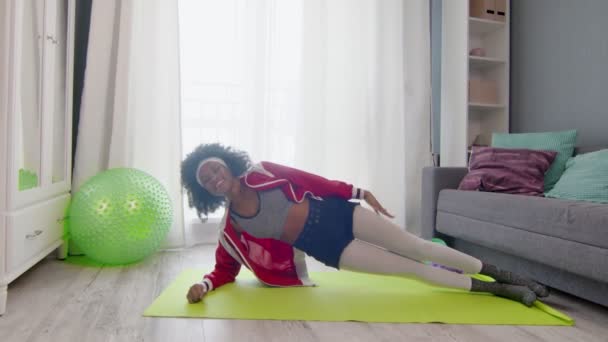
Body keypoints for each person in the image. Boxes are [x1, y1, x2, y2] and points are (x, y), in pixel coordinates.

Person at [180, 143, 549, 307]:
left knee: (417, 247)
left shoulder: (262, 171)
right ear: (205, 191)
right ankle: (495, 291)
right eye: (204, 177)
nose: (213, 176)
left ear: (226, 163)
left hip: (339, 215)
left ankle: (505, 274)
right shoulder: (231, 230)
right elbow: (223, 270)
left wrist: (357, 191)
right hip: (330, 249)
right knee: (412, 271)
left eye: (213, 166)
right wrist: (203, 284)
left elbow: (312, 180)